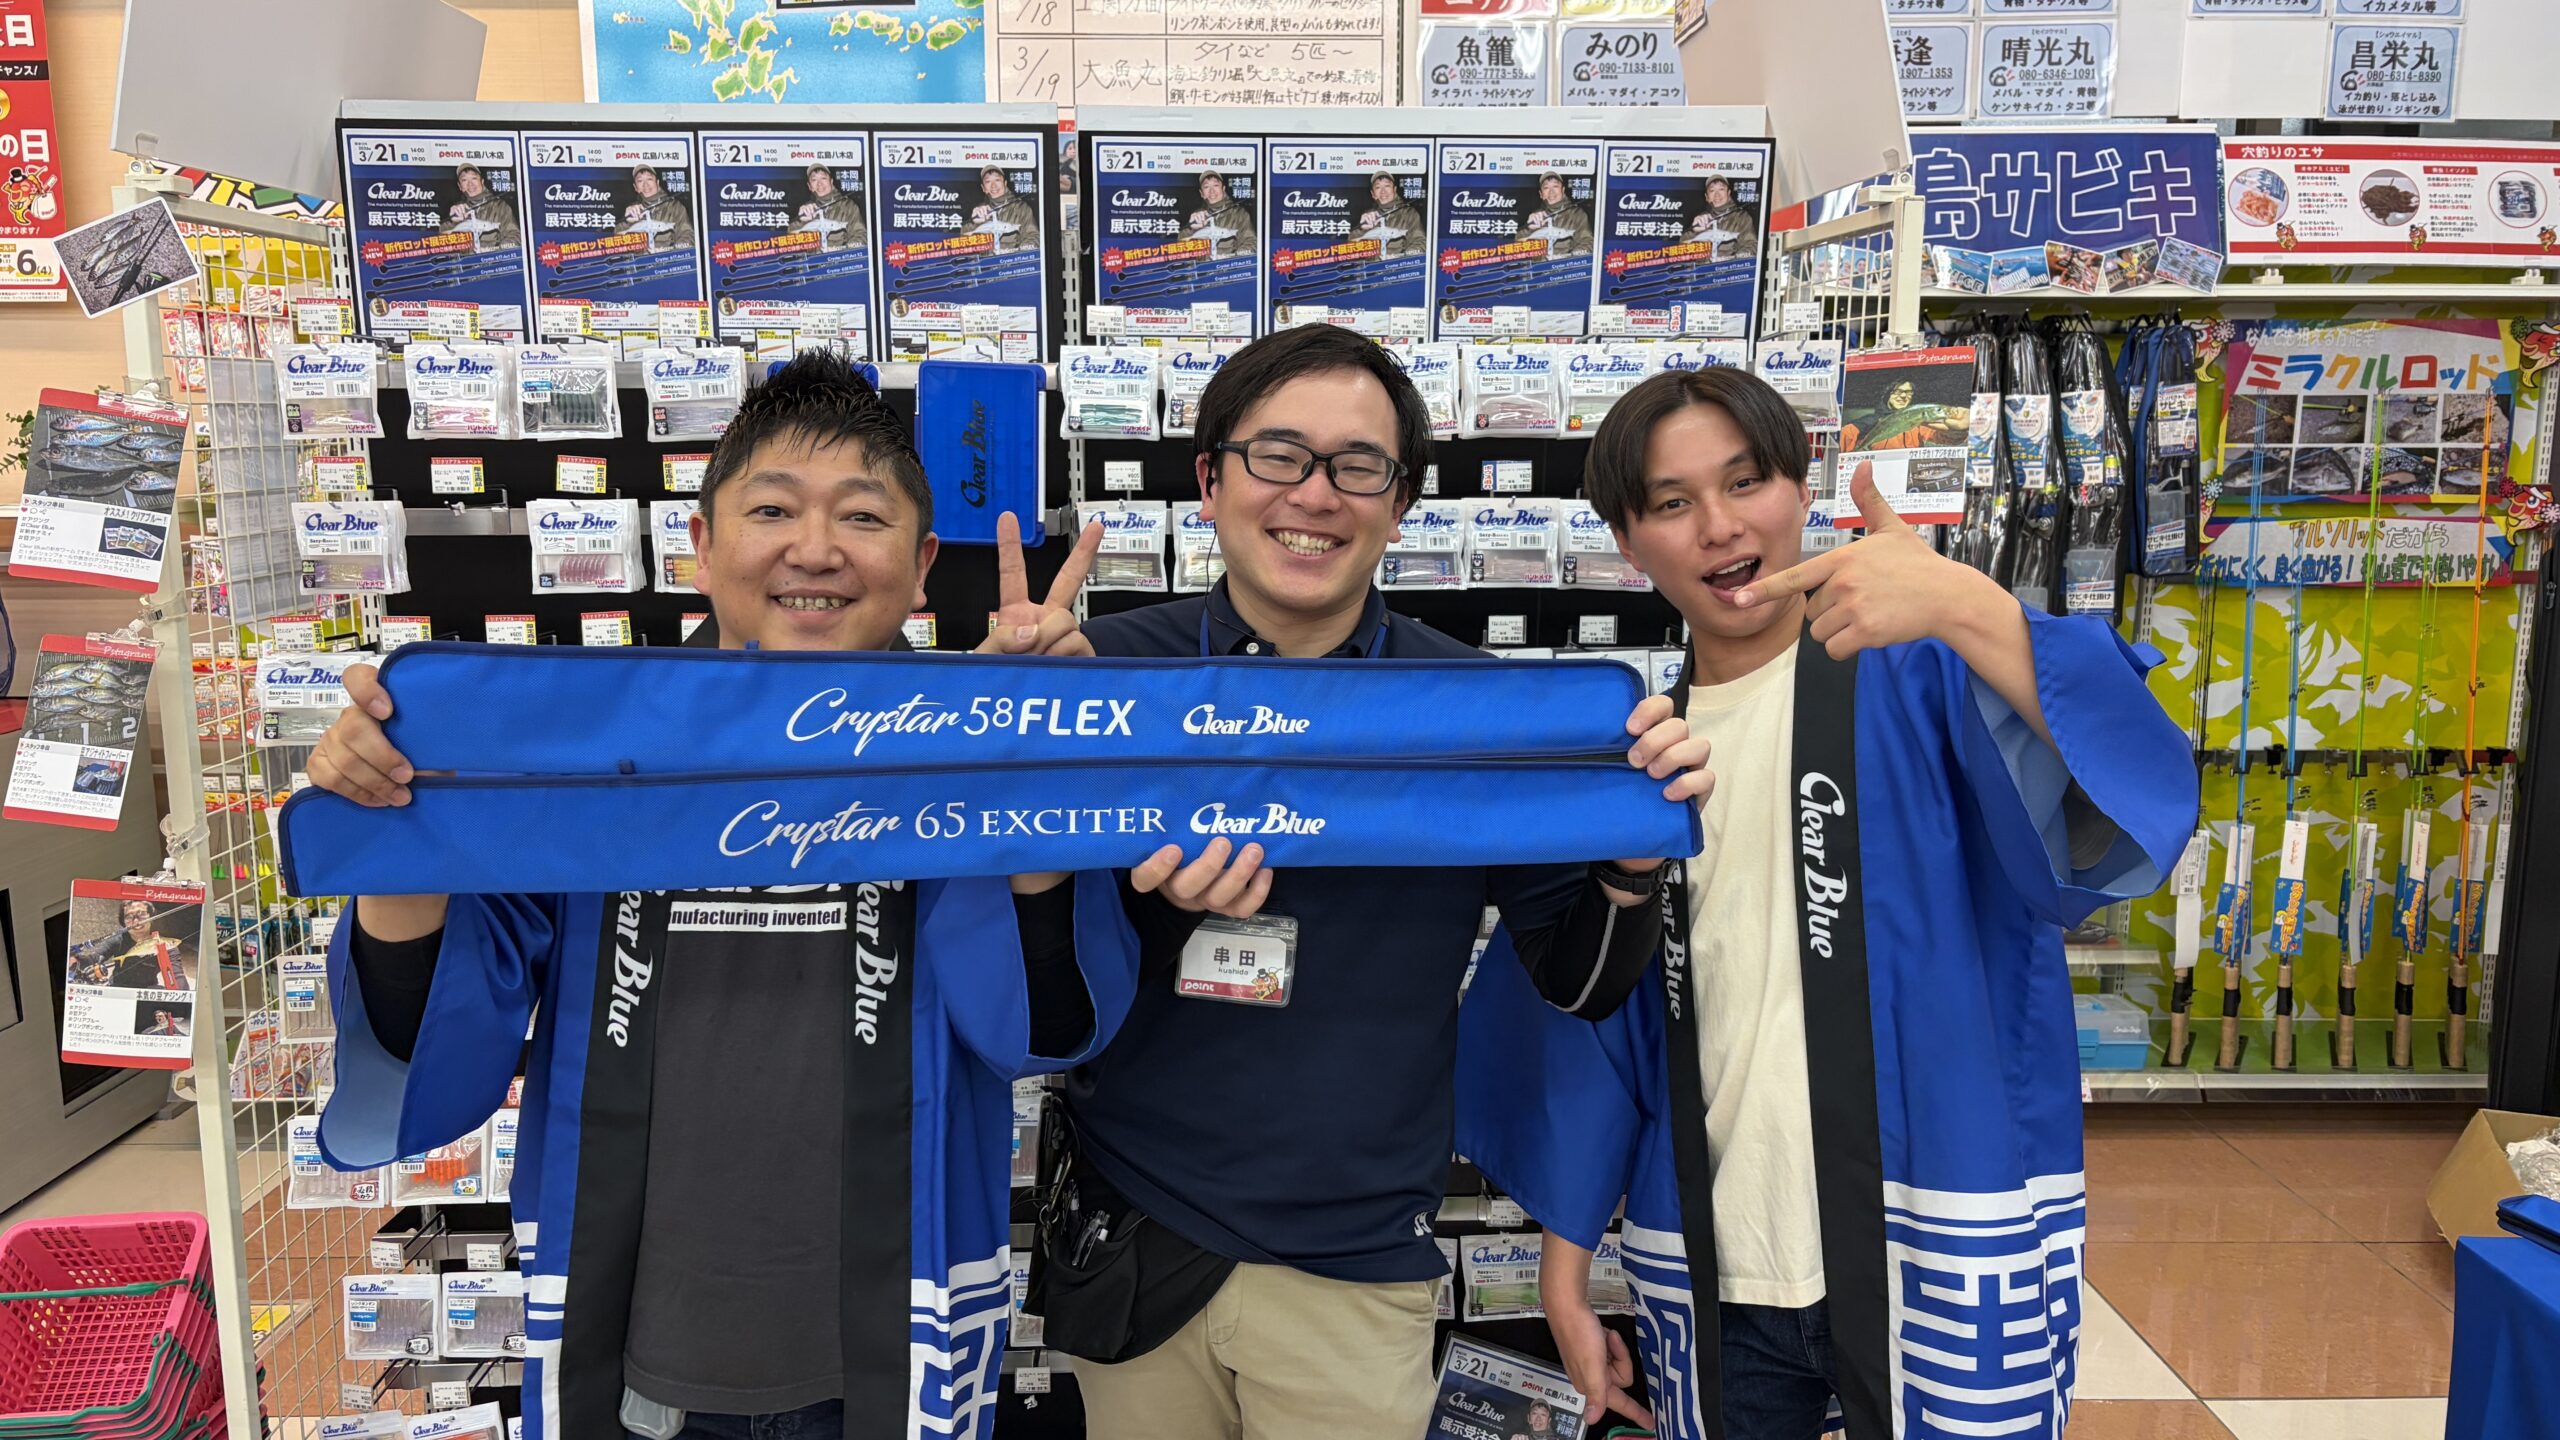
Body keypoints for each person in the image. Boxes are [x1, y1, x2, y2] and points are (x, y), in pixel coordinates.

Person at [303, 352, 1249, 1440]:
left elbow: (1036, 1029)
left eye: (863, 516)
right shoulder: (584, 759)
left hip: (899, 1341)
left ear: (920, 562)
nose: (815, 549)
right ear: (701, 547)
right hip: (639, 1348)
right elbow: (433, 1042)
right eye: (772, 510)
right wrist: (395, 836)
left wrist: (1019, 779)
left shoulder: (955, 764)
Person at [982, 322, 1715, 1440]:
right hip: (1137, 1248)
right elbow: (1035, 1007)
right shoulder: (1102, 678)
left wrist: (1630, 855)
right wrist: (1009, 741)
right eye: (1278, 455)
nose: (1315, 494)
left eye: (1357, 466)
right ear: (1210, 481)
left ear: (1401, 500)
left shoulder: (1471, 712)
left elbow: (1579, 985)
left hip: (1356, 1262)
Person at [1456, 367, 2198, 1440]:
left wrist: (1965, 603)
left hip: (1941, 1233)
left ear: (1801, 488)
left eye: (1744, 482)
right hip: (1714, 1258)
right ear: (1627, 543)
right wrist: (1564, 1273)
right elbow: (1595, 1036)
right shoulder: (1640, 757)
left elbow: (2129, 803)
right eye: (1671, 502)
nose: (1719, 526)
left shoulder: (1932, 679)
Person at [444, 163, 520, 252]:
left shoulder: (500, 207)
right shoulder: (456, 209)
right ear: (460, 186)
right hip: (466, 260)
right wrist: (452, 222)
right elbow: (441, 242)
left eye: (474, 178)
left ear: (482, 181)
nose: (470, 184)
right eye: (464, 180)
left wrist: (492, 251)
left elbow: (515, 238)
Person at [1184, 170, 1257, 260]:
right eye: (1206, 187)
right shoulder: (1196, 216)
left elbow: (1251, 244)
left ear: (1223, 189)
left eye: (1216, 185)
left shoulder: (1240, 214)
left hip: (1230, 268)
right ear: (1201, 193)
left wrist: (1230, 258)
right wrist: (1191, 228)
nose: (1212, 191)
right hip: (1203, 268)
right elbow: (1181, 247)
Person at [621, 164, 694, 253]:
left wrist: (667, 251)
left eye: (649, 179)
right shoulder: (632, 210)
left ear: (657, 183)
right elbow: (616, 243)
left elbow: (688, 238)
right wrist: (626, 222)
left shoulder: (675, 207)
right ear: (635, 187)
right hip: (640, 261)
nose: (646, 185)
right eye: (640, 181)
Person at [1688, 175, 1758, 262]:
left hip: (1731, 269)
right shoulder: (1701, 219)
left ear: (1728, 193)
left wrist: (1730, 260)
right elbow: (1685, 250)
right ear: (1706, 197)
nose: (1717, 195)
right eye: (1712, 190)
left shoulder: (1742, 217)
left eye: (1721, 189)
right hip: (1704, 269)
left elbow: (1751, 247)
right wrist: (1693, 231)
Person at [798, 163, 865, 252]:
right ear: (809, 186)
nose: (819, 183)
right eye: (814, 180)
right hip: (814, 260)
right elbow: (791, 241)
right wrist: (800, 220)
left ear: (831, 181)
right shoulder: (806, 209)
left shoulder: (848, 206)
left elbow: (861, 237)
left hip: (841, 259)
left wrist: (839, 251)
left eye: (823, 178)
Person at [973, 166, 1037, 253]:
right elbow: (964, 241)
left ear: (1005, 183)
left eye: (997, 180)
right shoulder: (978, 210)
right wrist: (974, 222)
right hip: (987, 261)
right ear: (983, 188)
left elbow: (1033, 237)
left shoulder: (1021, 208)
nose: (993, 185)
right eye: (988, 181)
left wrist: (1013, 254)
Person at [1359, 172, 1424, 258]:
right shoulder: (1367, 216)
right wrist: (1361, 229)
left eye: (1387, 186)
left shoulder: (1409, 213)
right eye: (1378, 187)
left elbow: (1420, 244)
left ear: (1394, 189)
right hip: (1374, 265)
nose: (1383, 191)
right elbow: (1351, 248)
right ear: (1373, 194)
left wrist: (1399, 257)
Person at [1527, 172, 1592, 256]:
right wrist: (1528, 228)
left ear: (1563, 190)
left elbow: (1587, 243)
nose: (1551, 191)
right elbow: (1519, 246)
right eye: (1546, 187)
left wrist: (1568, 258)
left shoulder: (1577, 214)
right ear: (1541, 194)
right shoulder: (1535, 216)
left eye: (1555, 186)